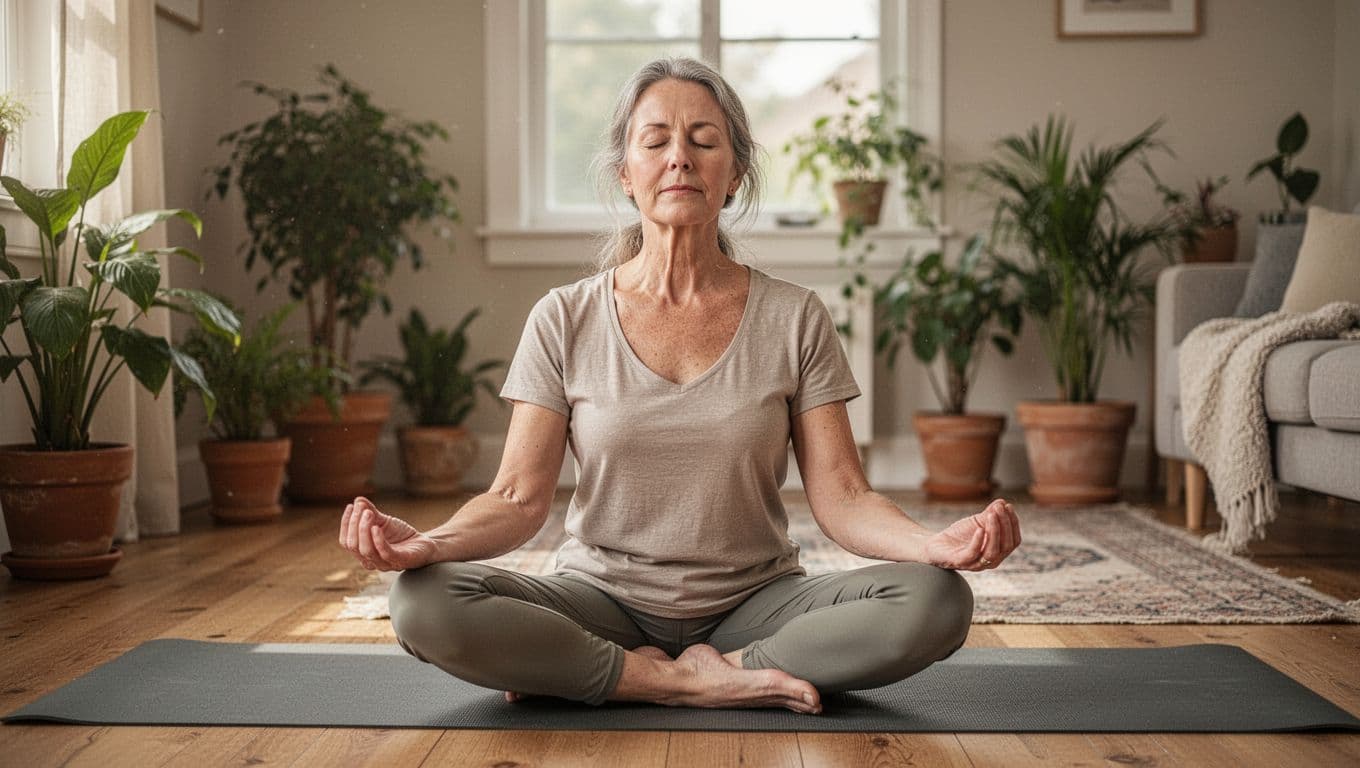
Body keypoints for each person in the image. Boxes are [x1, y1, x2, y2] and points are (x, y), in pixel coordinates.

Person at [338, 57, 1021, 715]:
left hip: (754, 608)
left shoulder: (795, 316)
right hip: (598, 604)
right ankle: (670, 681)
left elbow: (844, 497)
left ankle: (674, 674)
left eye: (704, 141)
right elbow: (517, 499)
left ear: (735, 175)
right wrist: (429, 545)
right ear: (625, 175)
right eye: (656, 140)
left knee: (938, 602)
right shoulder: (565, 316)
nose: (680, 158)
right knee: (422, 602)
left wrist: (932, 547)